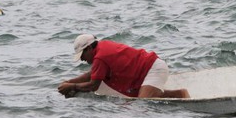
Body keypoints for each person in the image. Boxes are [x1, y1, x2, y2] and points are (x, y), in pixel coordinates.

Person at [57, 34, 190, 99]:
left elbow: (93, 85)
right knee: (144, 98)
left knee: (142, 105)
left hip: (153, 69)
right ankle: (180, 94)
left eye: (82, 55)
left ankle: (181, 94)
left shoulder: (100, 57)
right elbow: (91, 74)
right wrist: (69, 82)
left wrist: (72, 86)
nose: (82, 59)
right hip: (150, 69)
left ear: (89, 48)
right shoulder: (101, 48)